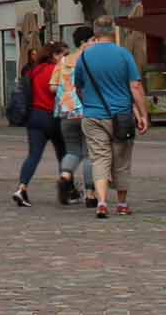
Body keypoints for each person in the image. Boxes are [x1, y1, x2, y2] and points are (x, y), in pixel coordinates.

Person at [73, 16, 147, 219]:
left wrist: (88, 101)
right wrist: (143, 114)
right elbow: (135, 86)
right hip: (121, 116)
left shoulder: (84, 57)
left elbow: (78, 87)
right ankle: (122, 203)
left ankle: (102, 202)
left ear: (95, 32)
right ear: (113, 31)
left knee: (99, 158)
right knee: (121, 159)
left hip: (93, 115)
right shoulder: (123, 54)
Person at [10, 42, 69, 207]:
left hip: (34, 116)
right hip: (54, 116)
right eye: (64, 55)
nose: (66, 59)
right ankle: (66, 189)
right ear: (55, 55)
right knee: (64, 154)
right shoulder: (56, 71)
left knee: (33, 155)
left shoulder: (34, 71)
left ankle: (22, 188)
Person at [50, 36, 95, 207]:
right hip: (87, 110)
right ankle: (90, 192)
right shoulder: (90, 60)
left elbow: (52, 87)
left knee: (72, 151)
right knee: (90, 153)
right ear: (86, 42)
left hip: (67, 112)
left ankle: (65, 176)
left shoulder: (63, 61)